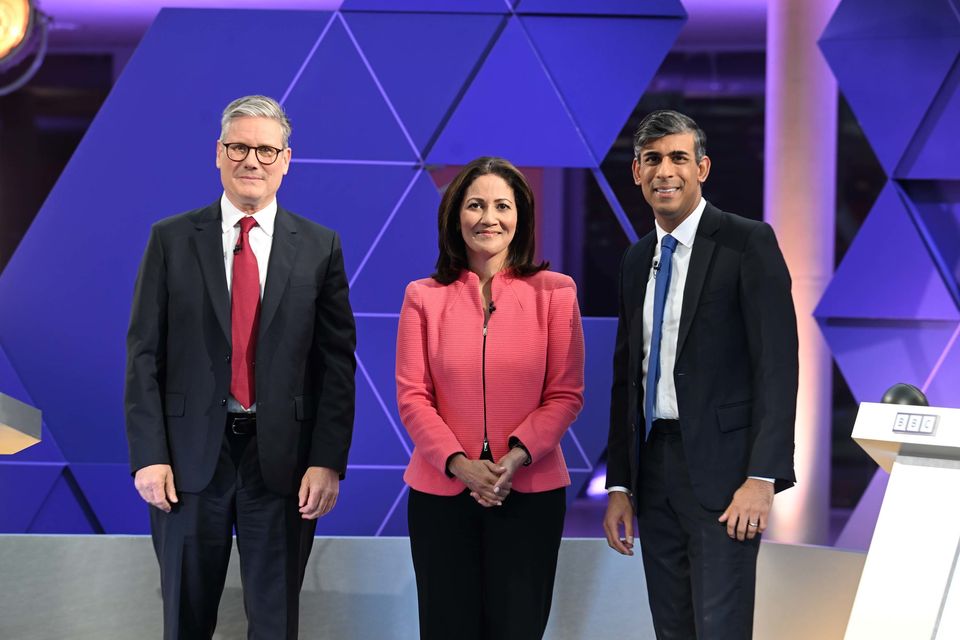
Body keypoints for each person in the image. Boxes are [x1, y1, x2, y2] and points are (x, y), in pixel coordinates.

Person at [124, 95, 356, 640]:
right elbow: (143, 356)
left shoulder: (320, 246)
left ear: (286, 159)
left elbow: (336, 366)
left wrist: (327, 461)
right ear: (218, 154)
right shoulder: (171, 238)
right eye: (239, 147)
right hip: (186, 464)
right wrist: (149, 456)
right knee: (185, 619)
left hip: (283, 462)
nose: (252, 160)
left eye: (265, 149)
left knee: (275, 625)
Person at [603, 110, 798, 639]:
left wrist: (763, 478)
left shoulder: (746, 242)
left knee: (720, 629)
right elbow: (628, 378)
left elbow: (778, 368)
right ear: (637, 174)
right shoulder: (635, 258)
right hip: (653, 470)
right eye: (652, 160)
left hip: (727, 478)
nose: (665, 171)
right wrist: (620, 483)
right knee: (672, 629)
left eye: (678, 158)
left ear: (703, 168)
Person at [395, 157, 585, 640]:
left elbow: (565, 394)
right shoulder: (422, 296)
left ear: (519, 216)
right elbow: (413, 397)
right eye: (475, 205)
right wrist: (460, 463)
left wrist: (515, 458)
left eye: (502, 205)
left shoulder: (555, 293)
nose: (489, 218)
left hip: (529, 491)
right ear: (455, 215)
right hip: (442, 495)